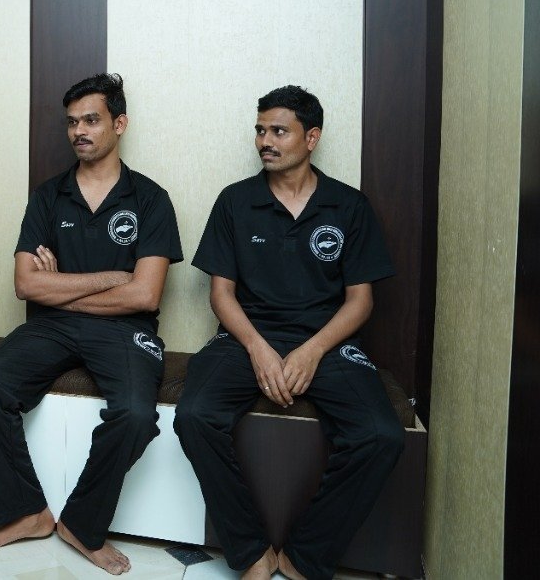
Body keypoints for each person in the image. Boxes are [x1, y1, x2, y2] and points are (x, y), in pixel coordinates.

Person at [173, 85, 404, 580]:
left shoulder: (348, 205)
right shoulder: (235, 201)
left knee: (381, 436)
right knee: (193, 416)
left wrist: (312, 351)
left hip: (328, 341)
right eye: (260, 130)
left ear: (311, 137)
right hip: (245, 336)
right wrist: (258, 348)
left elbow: (360, 301)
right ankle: (250, 552)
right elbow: (221, 295)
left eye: (279, 131)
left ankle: (304, 557)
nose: (265, 141)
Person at [0, 73, 182, 576]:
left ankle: (81, 525)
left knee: (134, 415)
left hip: (127, 330)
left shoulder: (151, 199)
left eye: (91, 120)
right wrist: (109, 278)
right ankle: (26, 513)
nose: (79, 131)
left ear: (119, 124)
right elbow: (26, 285)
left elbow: (145, 294)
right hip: (51, 327)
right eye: (71, 122)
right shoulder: (48, 196)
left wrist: (61, 285)